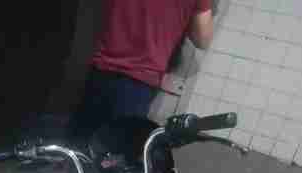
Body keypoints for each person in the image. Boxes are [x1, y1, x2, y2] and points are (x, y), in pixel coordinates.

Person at [70, 0, 214, 141]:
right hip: (141, 80)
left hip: (101, 68)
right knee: (117, 149)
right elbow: (202, 39)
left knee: (78, 143)